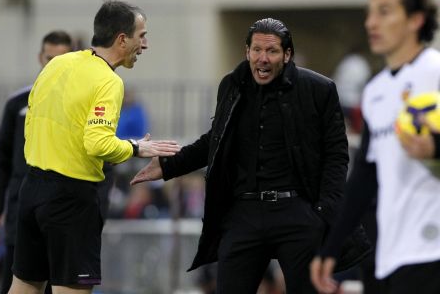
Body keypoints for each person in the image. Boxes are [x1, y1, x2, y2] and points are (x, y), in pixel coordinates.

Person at [131, 18, 369, 293]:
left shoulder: (319, 89)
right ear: (247, 51)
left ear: (287, 55)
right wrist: (168, 165)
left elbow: (337, 155)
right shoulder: (232, 86)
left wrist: (322, 210)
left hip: (298, 214)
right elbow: (215, 139)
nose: (263, 59)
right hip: (244, 214)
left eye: (272, 51)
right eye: (256, 50)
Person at [7, 0, 181, 294]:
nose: (146, 44)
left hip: (32, 189)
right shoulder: (109, 81)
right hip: (71, 199)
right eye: (142, 36)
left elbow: (32, 116)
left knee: (24, 287)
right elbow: (98, 143)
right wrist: (136, 148)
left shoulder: (57, 64)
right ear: (122, 39)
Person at [310, 0, 440, 294]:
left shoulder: (435, 71)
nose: (372, 22)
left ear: (415, 19)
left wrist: (436, 146)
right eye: (370, 13)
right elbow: (364, 176)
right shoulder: (375, 91)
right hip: (388, 253)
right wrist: (332, 245)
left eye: (384, 12)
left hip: (433, 248)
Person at [0, 30, 73, 294]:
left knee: (59, 283)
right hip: (22, 206)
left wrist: (100, 208)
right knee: (17, 280)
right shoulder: (19, 104)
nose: (53, 64)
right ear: (40, 57)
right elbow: (1, 156)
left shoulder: (80, 103)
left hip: (63, 207)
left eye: (60, 58)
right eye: (49, 57)